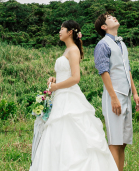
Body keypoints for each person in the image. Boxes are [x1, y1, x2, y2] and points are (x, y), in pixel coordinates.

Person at [30, 20, 118, 171]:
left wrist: (56, 87)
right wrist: (55, 79)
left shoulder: (73, 50)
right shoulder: (66, 51)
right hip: (61, 96)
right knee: (57, 133)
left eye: (61, 29)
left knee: (70, 132)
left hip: (69, 97)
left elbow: (76, 78)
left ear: (70, 32)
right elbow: (67, 75)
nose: (59, 32)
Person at [93, 13, 139, 171]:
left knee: (123, 143)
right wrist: (113, 98)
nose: (114, 18)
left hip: (126, 96)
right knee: (114, 142)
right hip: (114, 97)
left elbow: (127, 69)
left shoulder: (122, 44)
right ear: (104, 27)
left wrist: (134, 93)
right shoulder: (103, 44)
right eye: (110, 18)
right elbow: (103, 72)